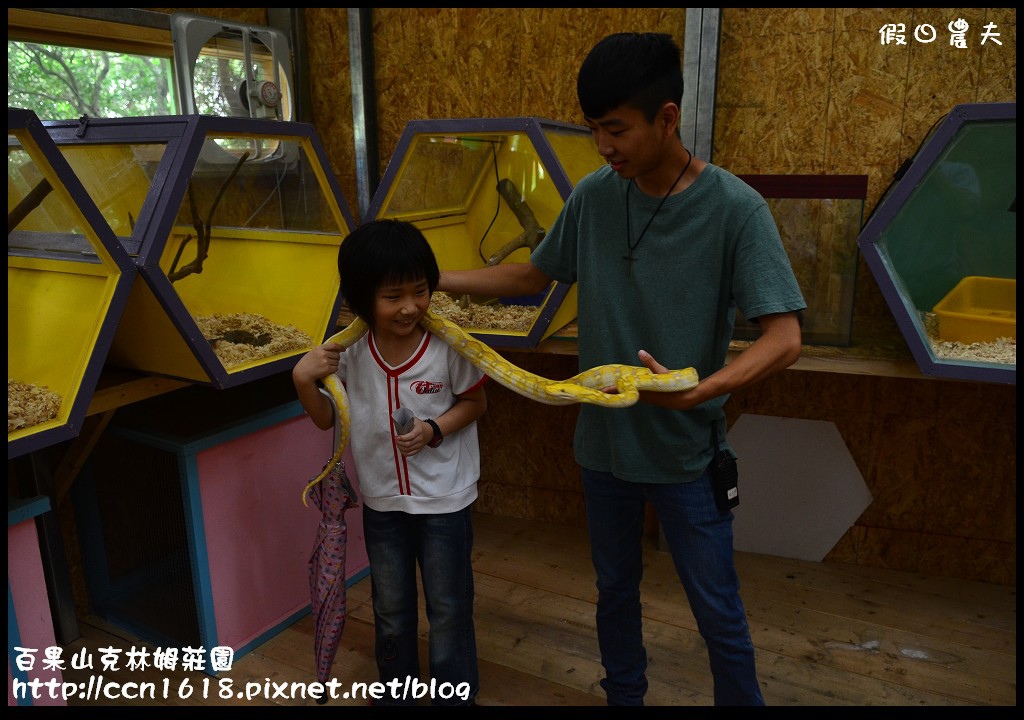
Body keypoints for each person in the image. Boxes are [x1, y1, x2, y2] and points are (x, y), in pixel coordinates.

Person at [438, 32, 805, 706]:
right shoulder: (595, 198)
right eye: (594, 130)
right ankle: (624, 696)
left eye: (616, 130)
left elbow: (783, 338)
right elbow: (533, 270)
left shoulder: (735, 210)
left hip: (687, 454)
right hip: (603, 449)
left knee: (716, 609)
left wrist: (701, 391)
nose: (604, 147)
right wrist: (431, 279)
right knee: (614, 592)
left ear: (668, 118)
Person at [293, 219, 487, 706]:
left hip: (445, 499)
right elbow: (325, 421)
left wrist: (434, 429)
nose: (409, 307)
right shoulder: (349, 352)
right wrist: (302, 381)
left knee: (447, 607)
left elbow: (475, 403)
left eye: (420, 291)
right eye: (392, 296)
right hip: (383, 503)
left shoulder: (450, 343)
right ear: (360, 300)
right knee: (391, 607)